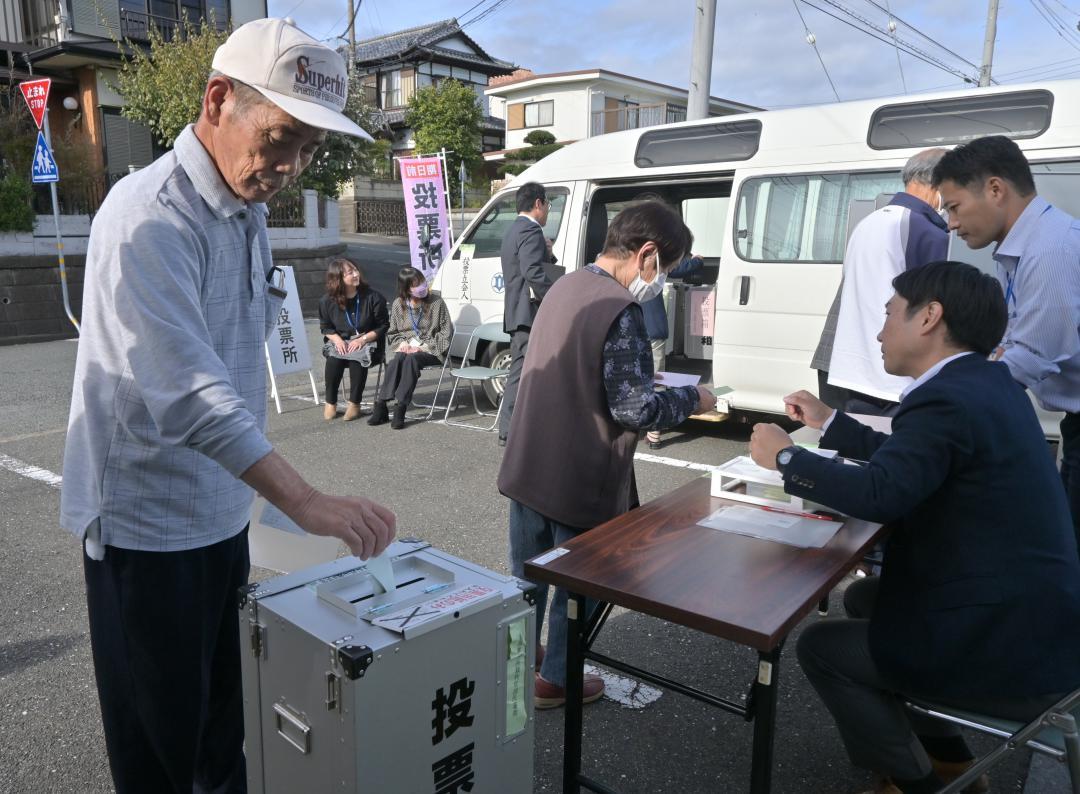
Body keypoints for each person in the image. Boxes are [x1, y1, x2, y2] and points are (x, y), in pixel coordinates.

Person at [59, 19, 396, 794]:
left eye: (310, 149)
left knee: (223, 734)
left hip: (218, 519)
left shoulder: (244, 214)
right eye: (281, 137)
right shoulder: (149, 215)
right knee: (160, 756)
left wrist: (268, 506)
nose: (291, 166)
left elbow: (236, 373)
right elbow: (189, 394)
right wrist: (305, 500)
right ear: (217, 99)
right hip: (145, 532)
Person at [748, 262, 1080, 794]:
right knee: (867, 600)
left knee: (821, 649)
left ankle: (920, 784)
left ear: (929, 317)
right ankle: (949, 763)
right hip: (1033, 615)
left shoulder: (945, 397)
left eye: (887, 315)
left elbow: (883, 492)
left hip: (1008, 644)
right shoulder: (982, 383)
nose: (880, 332)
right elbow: (910, 462)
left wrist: (787, 460)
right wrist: (830, 422)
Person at [498, 201, 718, 708]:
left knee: (526, 577)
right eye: (665, 266)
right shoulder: (621, 309)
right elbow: (634, 409)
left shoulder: (566, 285)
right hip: (579, 475)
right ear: (646, 255)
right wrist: (694, 399)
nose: (661, 279)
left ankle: (519, 662)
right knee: (579, 585)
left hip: (529, 463)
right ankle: (555, 680)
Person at [934, 134, 1080, 556]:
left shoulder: (1051, 249)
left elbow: (1030, 356)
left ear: (996, 189)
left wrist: (945, 398)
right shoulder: (1025, 247)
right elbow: (1011, 341)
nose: (952, 223)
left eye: (955, 206)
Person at [812, 148, 948, 412]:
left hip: (847, 368)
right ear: (940, 182)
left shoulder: (868, 222)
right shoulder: (924, 230)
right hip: (891, 380)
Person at [498, 181, 556, 446]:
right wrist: (556, 296)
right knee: (524, 371)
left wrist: (548, 252)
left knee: (523, 370)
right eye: (547, 204)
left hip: (517, 311)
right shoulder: (531, 231)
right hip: (528, 312)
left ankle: (513, 428)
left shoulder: (513, 230)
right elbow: (532, 271)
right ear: (538, 204)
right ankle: (510, 430)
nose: (547, 210)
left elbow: (527, 266)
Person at [368, 265, 453, 429]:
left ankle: (401, 406)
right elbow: (392, 332)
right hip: (407, 348)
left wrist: (423, 347)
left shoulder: (436, 302)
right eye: (415, 284)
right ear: (406, 289)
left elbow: (446, 332)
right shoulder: (398, 305)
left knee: (412, 359)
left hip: (432, 349)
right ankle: (382, 404)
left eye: (421, 281)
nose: (421, 286)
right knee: (398, 359)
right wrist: (403, 344)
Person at [642, 252, 704, 449]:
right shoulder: (659, 258)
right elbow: (679, 268)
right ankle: (654, 433)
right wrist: (696, 261)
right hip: (654, 327)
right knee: (657, 378)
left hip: (634, 328)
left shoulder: (628, 258)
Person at [318, 258, 389, 421]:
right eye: (350, 273)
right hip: (341, 342)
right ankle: (330, 403)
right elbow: (326, 327)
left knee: (357, 357)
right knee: (334, 359)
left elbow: (383, 325)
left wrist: (363, 339)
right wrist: (337, 340)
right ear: (338, 278)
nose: (356, 274)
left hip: (369, 343)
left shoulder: (373, 297)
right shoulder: (326, 301)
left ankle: (354, 404)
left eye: (356, 270)